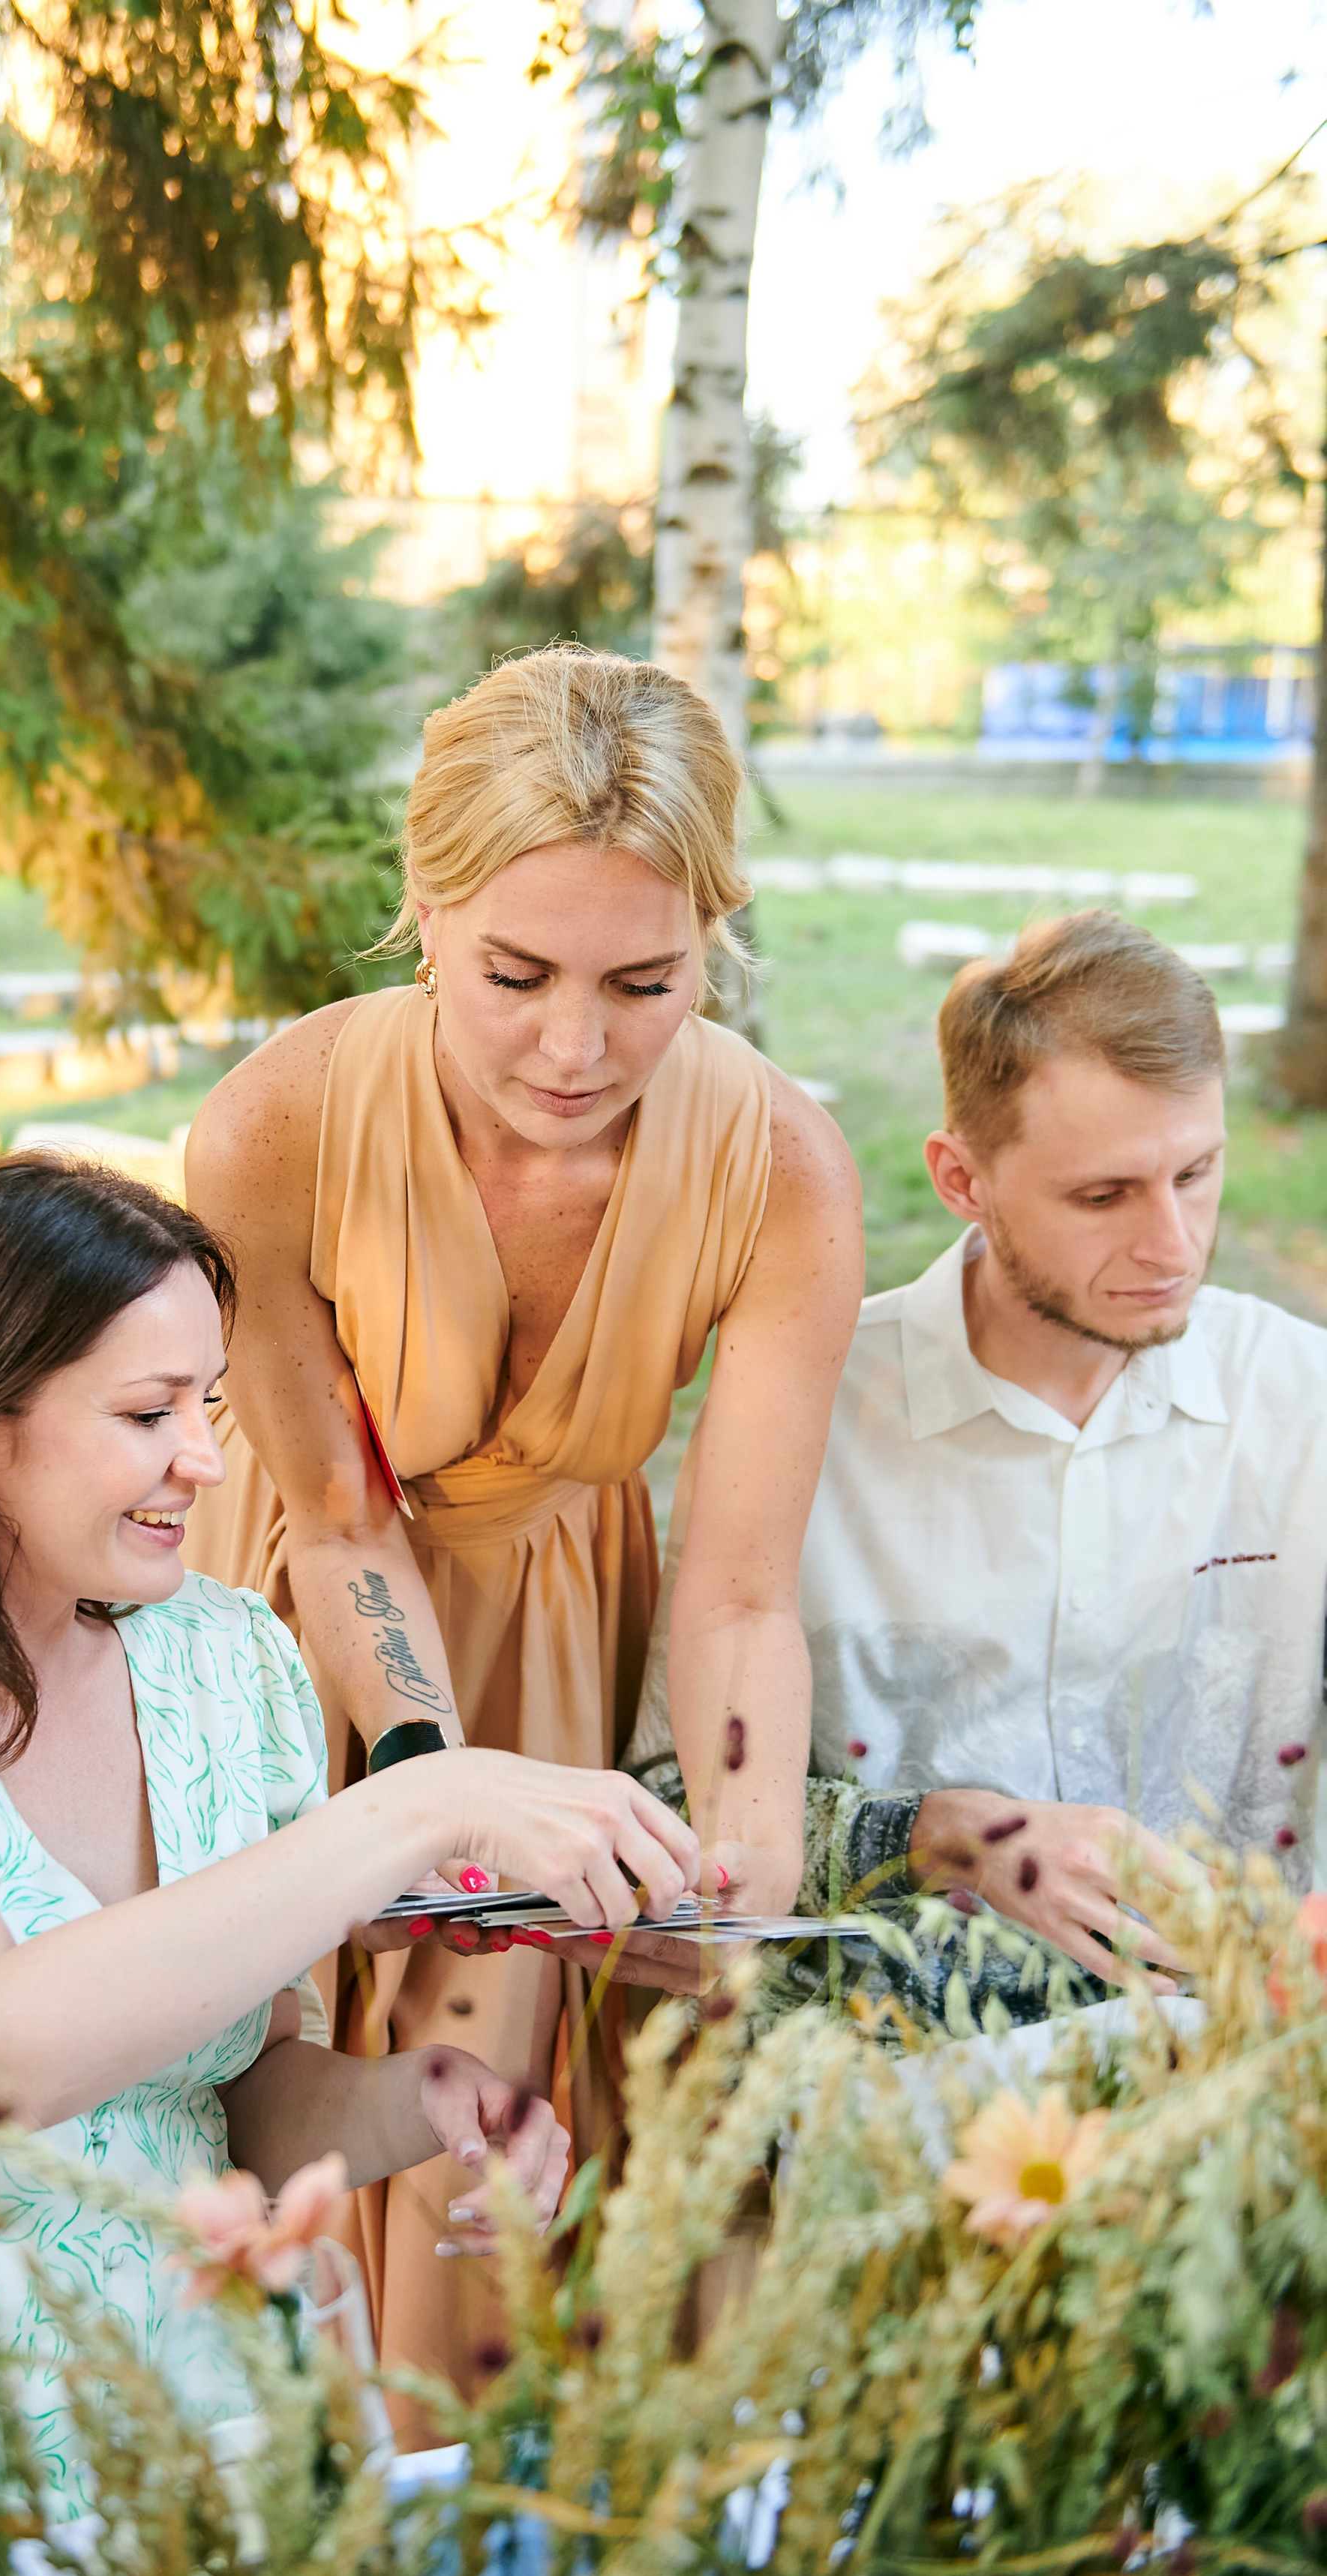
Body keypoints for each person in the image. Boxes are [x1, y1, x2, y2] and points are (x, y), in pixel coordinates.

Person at [0, 1153, 694, 2576]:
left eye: (208, 1404)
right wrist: (413, 1806)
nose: (205, 1457)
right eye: (147, 1414)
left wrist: (419, 2101)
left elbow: (236, 2104)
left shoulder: (222, 1657)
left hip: (211, 2490)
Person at [182, 644, 862, 2404]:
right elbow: (338, 1514)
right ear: (418, 907)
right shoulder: (277, 1122)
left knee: (492, 2113)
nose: (576, 1046)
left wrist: (746, 1829)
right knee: (257, 2055)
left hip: (561, 1621)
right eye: (513, 973)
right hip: (294, 1605)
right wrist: (424, 1777)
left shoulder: (779, 1165)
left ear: (714, 930)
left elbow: (734, 1583)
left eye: (644, 981)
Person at [627, 909, 1327, 1993]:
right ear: (961, 1180)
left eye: (1196, 1174)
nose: (1173, 1245)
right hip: (902, 2107)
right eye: (1104, 1196)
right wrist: (942, 1835)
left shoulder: (1303, 1400)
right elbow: (674, 1818)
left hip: (1247, 2086)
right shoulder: (805, 1421)